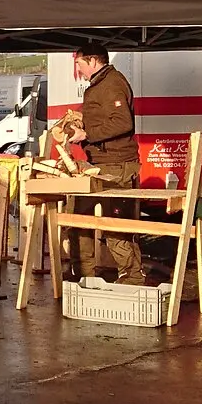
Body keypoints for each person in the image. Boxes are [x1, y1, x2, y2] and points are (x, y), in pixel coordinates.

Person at [67, 47, 143, 285]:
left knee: (116, 226)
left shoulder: (112, 83)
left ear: (93, 61)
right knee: (79, 219)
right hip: (98, 163)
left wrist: (87, 135)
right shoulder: (100, 84)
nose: (78, 69)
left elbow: (122, 123)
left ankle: (132, 278)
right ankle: (83, 275)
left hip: (117, 165)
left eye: (79, 64)